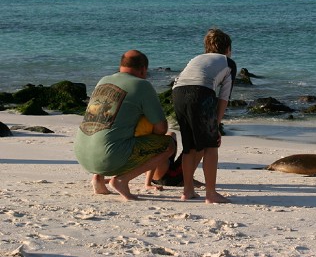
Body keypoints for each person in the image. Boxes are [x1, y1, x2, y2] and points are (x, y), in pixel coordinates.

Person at [74, 50, 175, 201]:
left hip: (82, 155)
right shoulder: (142, 85)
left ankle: (98, 178)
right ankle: (122, 180)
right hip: (110, 158)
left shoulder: (103, 80)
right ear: (143, 69)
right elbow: (161, 128)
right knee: (169, 145)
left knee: (108, 125)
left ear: (121, 65)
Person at [172, 28, 237, 203]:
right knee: (211, 145)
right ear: (228, 48)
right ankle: (211, 193)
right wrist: (215, 126)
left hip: (177, 94)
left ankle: (187, 191)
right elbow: (224, 97)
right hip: (199, 93)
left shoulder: (197, 58)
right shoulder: (228, 62)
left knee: (189, 147)